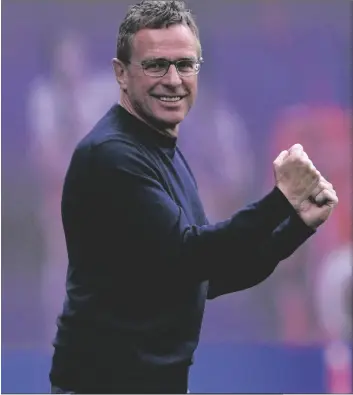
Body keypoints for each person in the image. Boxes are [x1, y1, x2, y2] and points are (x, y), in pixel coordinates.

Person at [49, 1, 338, 393]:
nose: (173, 79)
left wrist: (298, 224)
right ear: (121, 74)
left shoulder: (163, 152)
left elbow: (208, 276)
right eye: (156, 64)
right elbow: (190, 257)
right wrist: (280, 200)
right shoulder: (111, 155)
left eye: (185, 65)